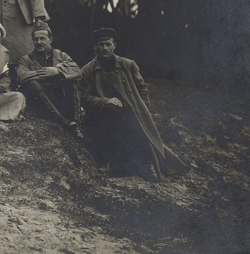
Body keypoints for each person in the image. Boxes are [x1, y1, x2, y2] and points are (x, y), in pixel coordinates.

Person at [79, 28, 186, 180]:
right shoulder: (87, 70)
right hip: (101, 115)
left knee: (142, 134)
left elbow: (142, 89)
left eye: (108, 44)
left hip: (129, 111)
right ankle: (109, 161)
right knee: (110, 127)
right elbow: (84, 97)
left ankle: (147, 164)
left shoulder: (128, 65)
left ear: (114, 45)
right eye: (100, 44)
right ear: (95, 46)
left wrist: (143, 111)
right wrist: (105, 101)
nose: (104, 48)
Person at [17, 21, 83, 138]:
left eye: (42, 38)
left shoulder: (61, 55)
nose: (39, 42)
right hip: (40, 99)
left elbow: (77, 71)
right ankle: (62, 121)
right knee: (32, 83)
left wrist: (57, 71)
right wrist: (46, 73)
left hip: (59, 95)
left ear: (50, 39)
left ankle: (77, 124)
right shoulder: (26, 59)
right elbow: (22, 75)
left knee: (72, 83)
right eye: (35, 39)